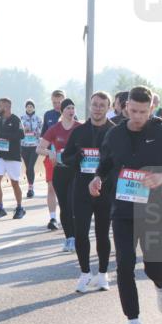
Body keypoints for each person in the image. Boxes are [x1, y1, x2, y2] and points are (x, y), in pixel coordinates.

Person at [90, 85, 162, 324]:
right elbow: (106, 163)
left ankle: (161, 283)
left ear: (152, 108)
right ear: (125, 107)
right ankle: (133, 323)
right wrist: (97, 178)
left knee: (152, 265)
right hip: (124, 208)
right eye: (133, 111)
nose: (137, 117)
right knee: (124, 265)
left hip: (158, 209)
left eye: (143, 112)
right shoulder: (114, 134)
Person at [62, 91, 113, 292]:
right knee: (81, 233)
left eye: (102, 105)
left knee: (102, 233)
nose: (97, 108)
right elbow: (66, 157)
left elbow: (120, 161)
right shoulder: (79, 131)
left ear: (108, 108)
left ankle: (103, 274)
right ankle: (84, 273)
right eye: (95, 104)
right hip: (82, 189)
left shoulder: (114, 132)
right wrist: (76, 158)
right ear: (89, 106)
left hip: (105, 190)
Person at [39, 98, 80, 251]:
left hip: (75, 171)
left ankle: (76, 237)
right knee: (64, 206)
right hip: (60, 171)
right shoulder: (55, 129)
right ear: (62, 111)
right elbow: (39, 148)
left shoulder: (79, 127)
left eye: (73, 108)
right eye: (68, 108)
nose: (71, 110)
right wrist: (50, 152)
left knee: (72, 204)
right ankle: (69, 238)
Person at [0, 97, 26, 219]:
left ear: (6, 107)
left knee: (14, 183)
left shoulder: (15, 120)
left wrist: (2, 135)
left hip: (13, 157)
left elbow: (21, 134)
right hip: (0, 156)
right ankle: (0, 208)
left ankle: (20, 208)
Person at [20, 99, 43, 198]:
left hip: (35, 146)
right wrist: (23, 130)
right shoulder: (21, 118)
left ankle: (31, 188)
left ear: (34, 108)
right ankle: (29, 185)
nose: (29, 108)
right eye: (28, 106)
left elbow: (42, 131)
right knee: (27, 167)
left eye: (31, 106)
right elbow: (18, 132)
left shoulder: (38, 119)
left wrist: (35, 132)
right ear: (25, 108)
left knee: (30, 167)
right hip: (24, 146)